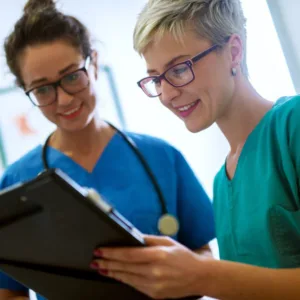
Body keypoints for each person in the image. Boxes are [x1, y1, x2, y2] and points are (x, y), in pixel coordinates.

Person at [0, 0, 216, 299]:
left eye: (72, 76)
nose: (63, 100)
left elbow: (204, 257)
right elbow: (10, 292)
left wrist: (184, 274)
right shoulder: (17, 182)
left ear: (95, 63)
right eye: (43, 89)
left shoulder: (161, 157)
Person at [91, 0, 300, 299]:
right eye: (155, 78)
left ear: (234, 52)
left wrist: (202, 275)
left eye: (178, 69)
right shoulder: (223, 179)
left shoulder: (293, 125)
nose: (166, 94)